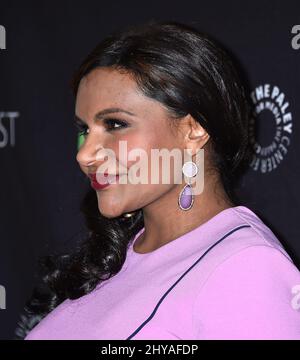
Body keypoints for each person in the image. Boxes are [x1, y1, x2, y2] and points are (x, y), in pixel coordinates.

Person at [16, 20, 300, 340]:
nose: (85, 154)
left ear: (194, 130)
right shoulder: (115, 259)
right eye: (85, 130)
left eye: (115, 124)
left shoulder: (247, 268)